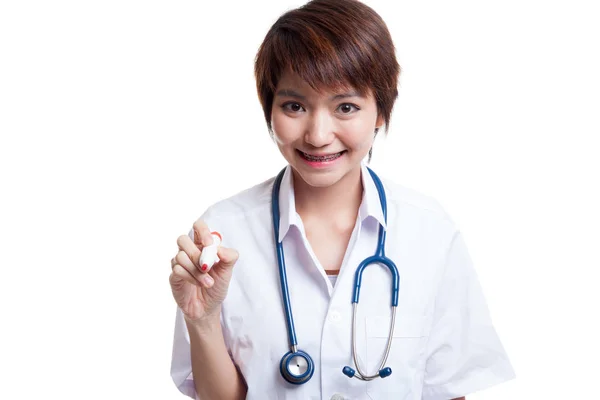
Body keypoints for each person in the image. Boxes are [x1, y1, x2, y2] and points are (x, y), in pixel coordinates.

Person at [169, 0, 515, 399]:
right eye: (294, 106)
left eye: (346, 107)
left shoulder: (429, 231)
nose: (318, 134)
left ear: (381, 111)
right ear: (269, 109)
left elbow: (448, 390)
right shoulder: (223, 234)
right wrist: (203, 319)